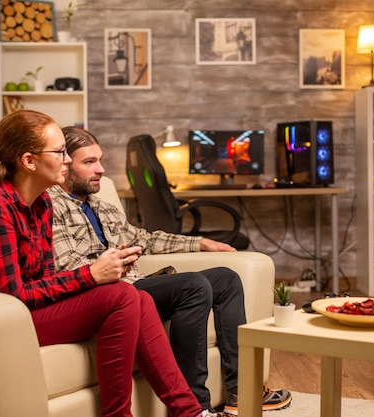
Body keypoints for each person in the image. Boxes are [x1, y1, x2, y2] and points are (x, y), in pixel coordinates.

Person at [0, 110, 216, 417]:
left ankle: (190, 412)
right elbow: (13, 294)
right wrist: (91, 275)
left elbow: (42, 280)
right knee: (122, 295)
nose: (67, 159)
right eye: (59, 152)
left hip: (22, 311)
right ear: (29, 161)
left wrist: (100, 275)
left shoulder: (41, 203)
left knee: (138, 296)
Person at [48, 126, 292, 415]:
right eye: (89, 162)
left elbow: (146, 239)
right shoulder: (52, 204)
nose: (101, 169)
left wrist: (200, 243)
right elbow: (64, 265)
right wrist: (111, 263)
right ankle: (197, 405)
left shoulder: (102, 206)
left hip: (134, 284)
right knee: (193, 286)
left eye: (99, 160)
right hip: (109, 293)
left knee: (226, 278)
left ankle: (241, 389)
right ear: (65, 164)